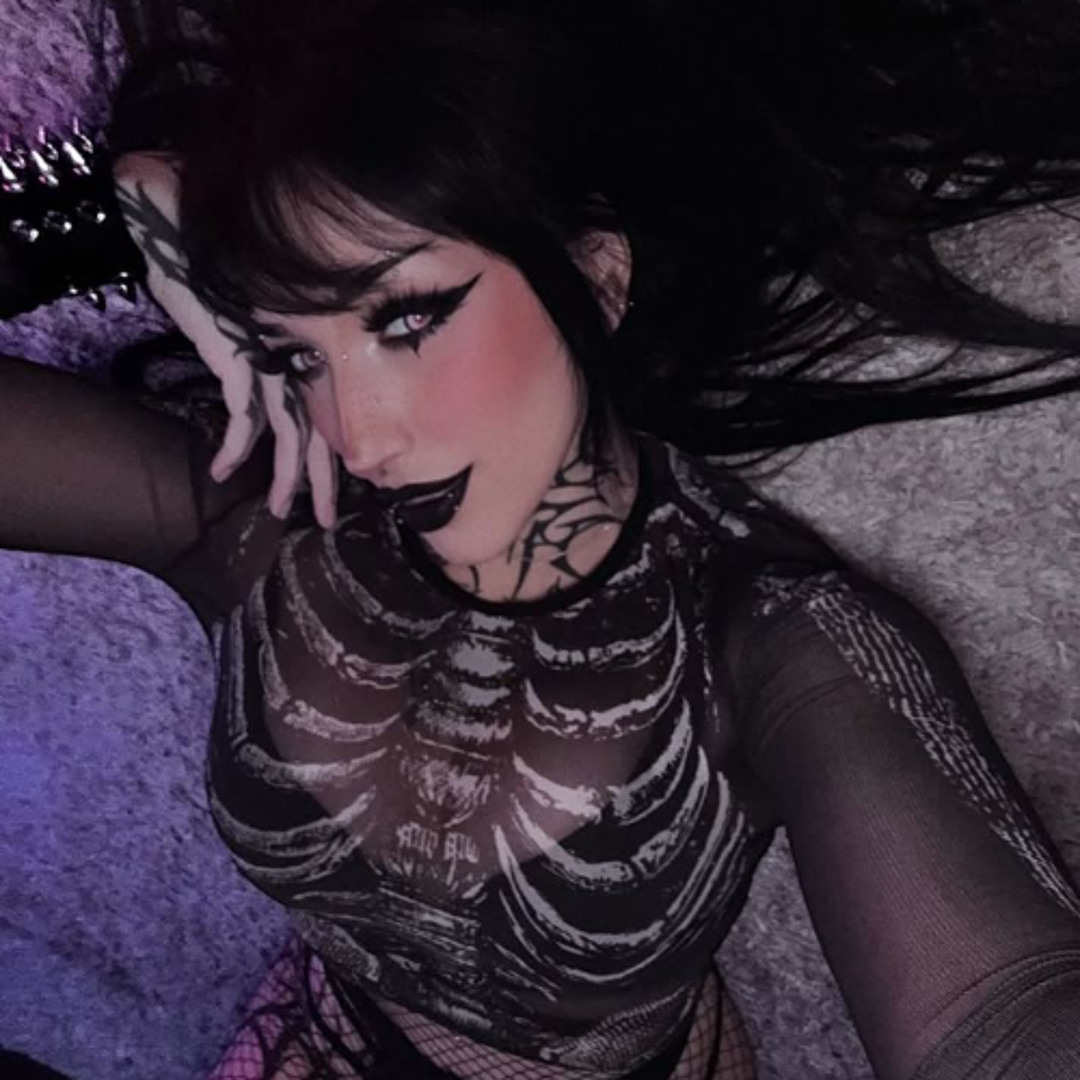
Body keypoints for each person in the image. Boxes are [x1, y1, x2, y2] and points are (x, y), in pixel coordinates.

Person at [4, 0, 1080, 1077]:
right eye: (296, 356)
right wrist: (133, 204)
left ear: (598, 275)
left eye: (408, 319)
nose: (359, 433)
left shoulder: (767, 640)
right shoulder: (267, 514)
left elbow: (996, 1015)